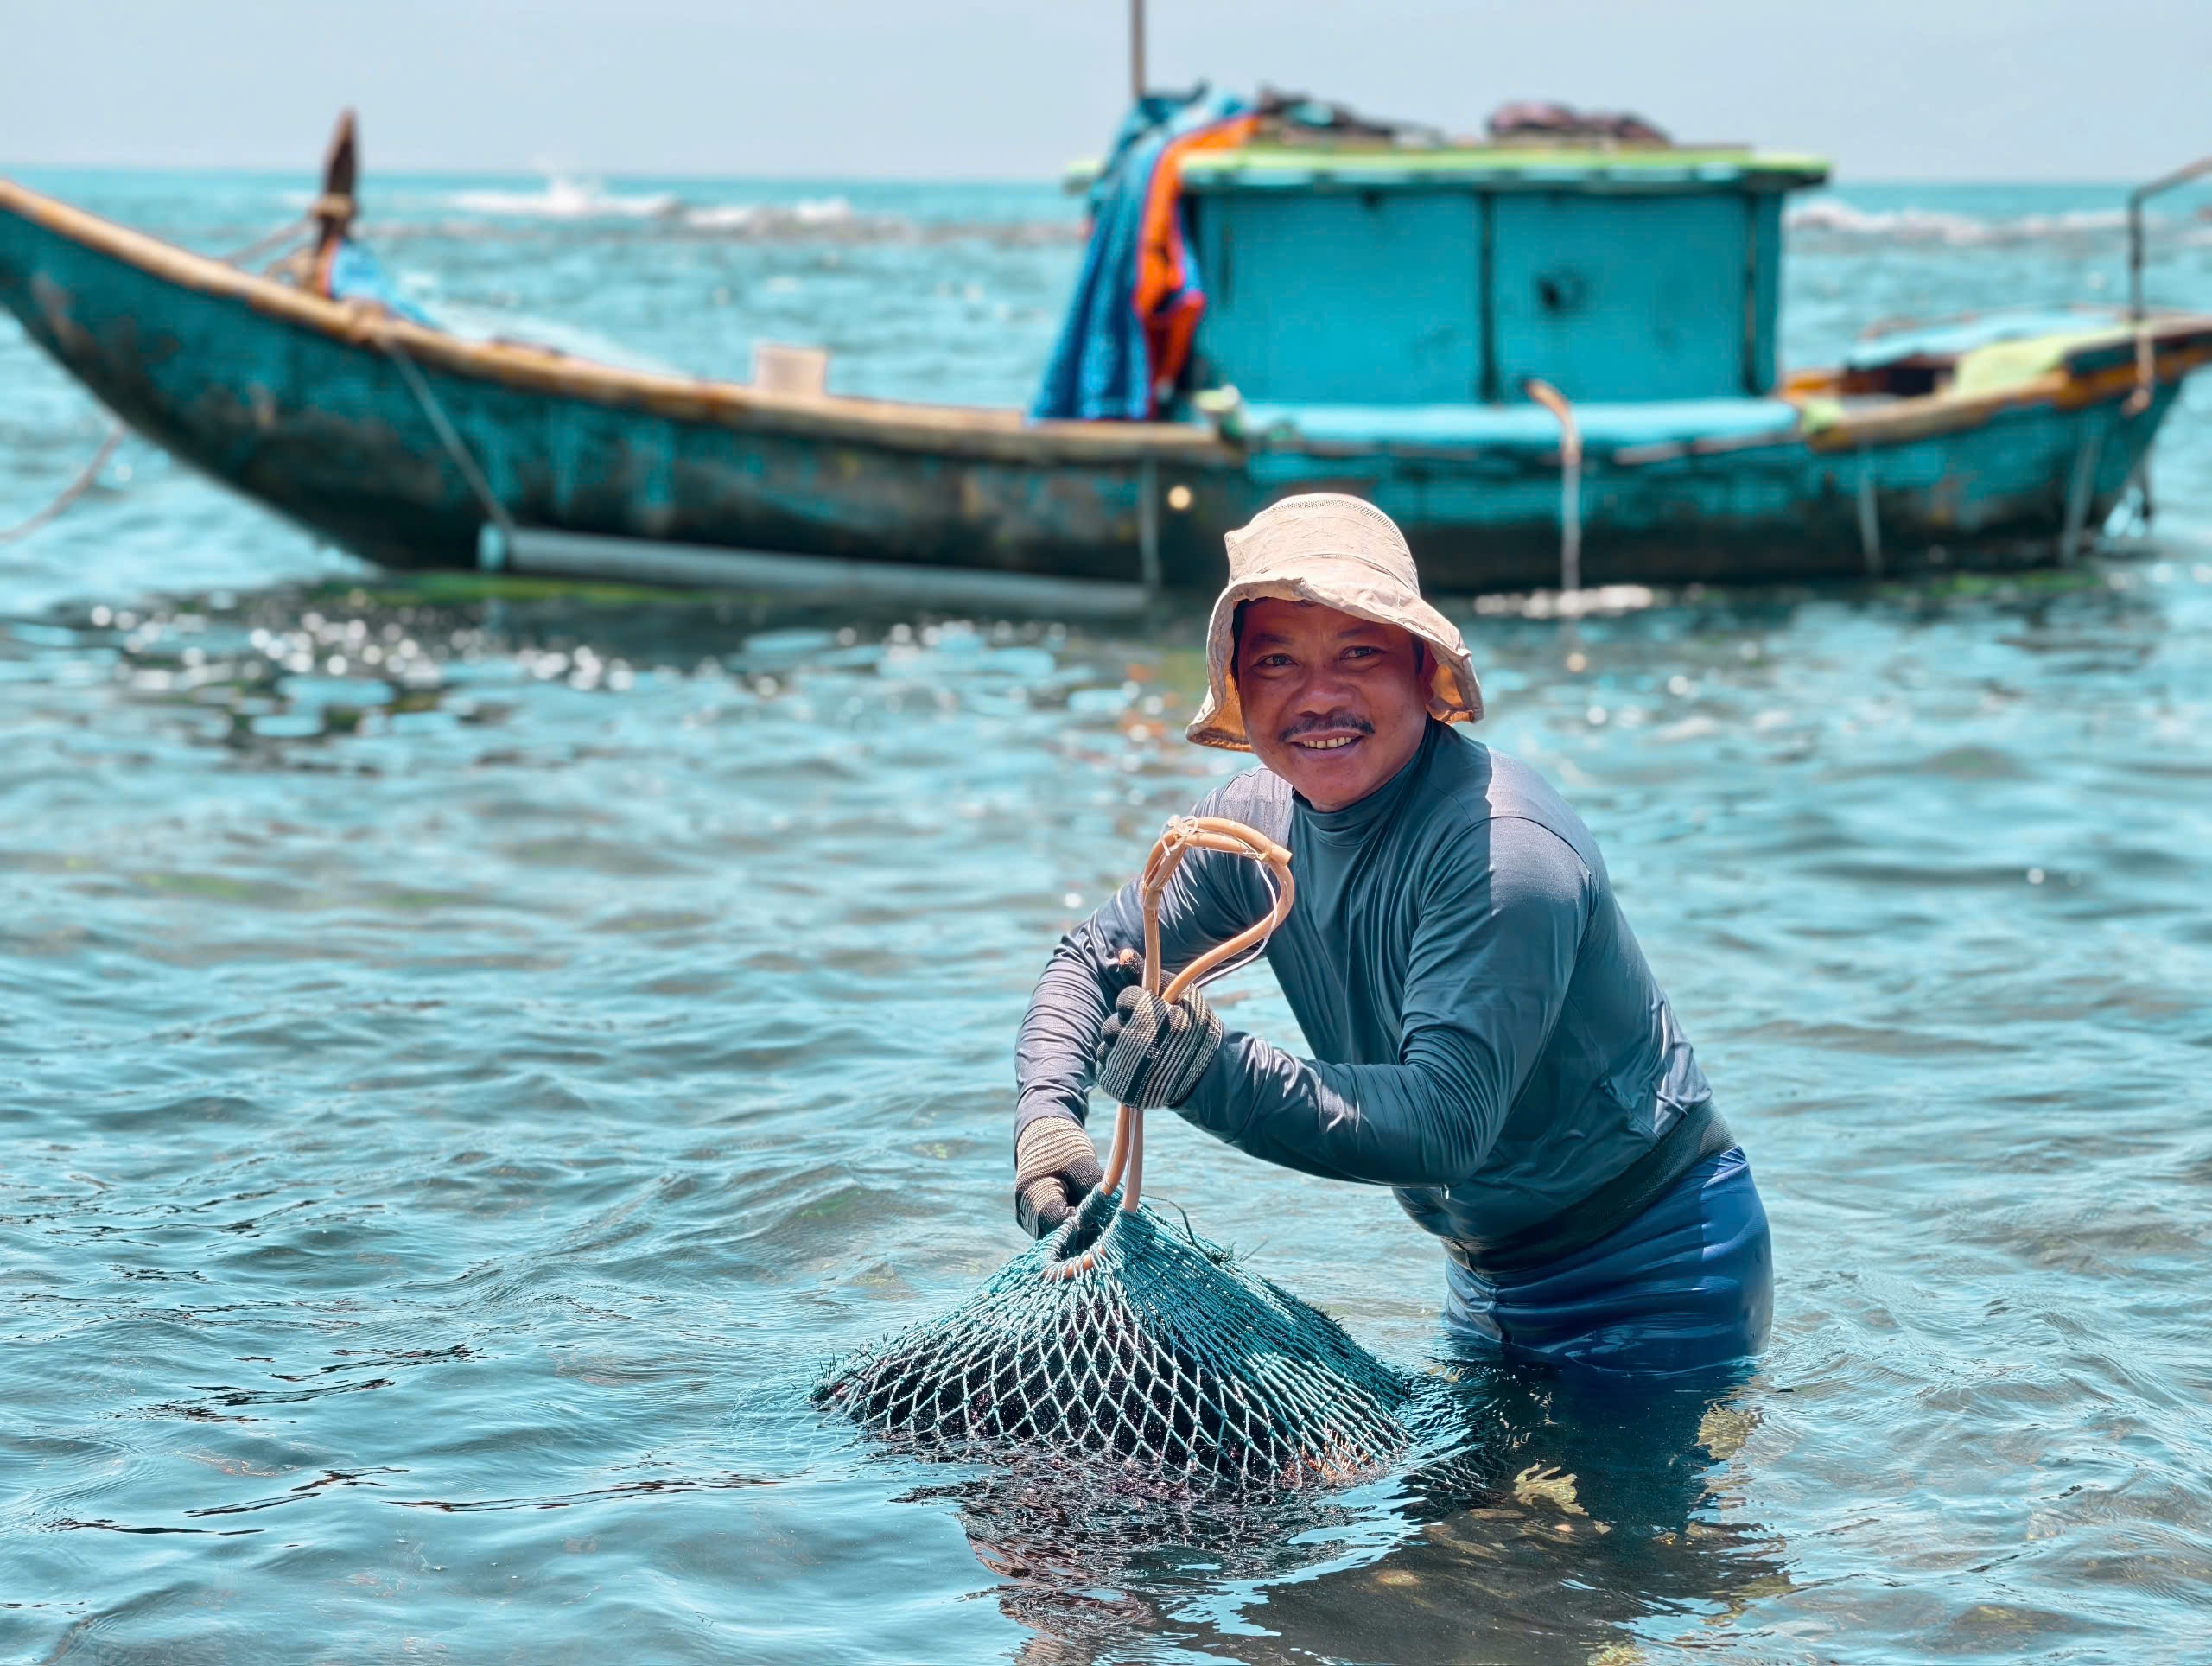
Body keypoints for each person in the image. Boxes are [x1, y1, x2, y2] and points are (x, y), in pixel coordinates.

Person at [1012, 493, 1772, 1376]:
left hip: (1656, 1271)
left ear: (1423, 670)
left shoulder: (1502, 853)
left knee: (1582, 1522)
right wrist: (1046, 1126)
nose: (1318, 696)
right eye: (1278, 661)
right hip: (1483, 1271)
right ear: (1238, 687)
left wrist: (1209, 1073)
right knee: (1462, 1517)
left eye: (1358, 653)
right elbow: (1088, 962)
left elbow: (1444, 1122)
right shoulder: (1246, 829)